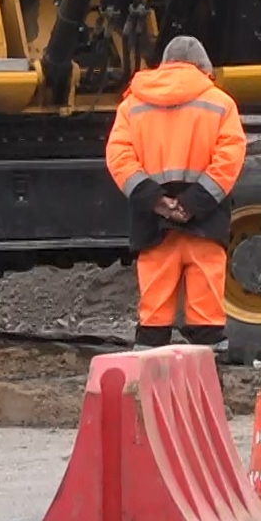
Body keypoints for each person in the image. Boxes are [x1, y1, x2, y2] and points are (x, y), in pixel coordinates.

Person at [105, 36, 247, 357]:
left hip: (153, 224)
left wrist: (155, 200)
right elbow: (229, 159)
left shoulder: (132, 106)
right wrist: (192, 204)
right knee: (207, 315)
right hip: (204, 222)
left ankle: (149, 382)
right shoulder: (221, 103)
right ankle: (208, 383)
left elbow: (119, 157)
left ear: (164, 65)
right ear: (204, 67)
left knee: (154, 315)